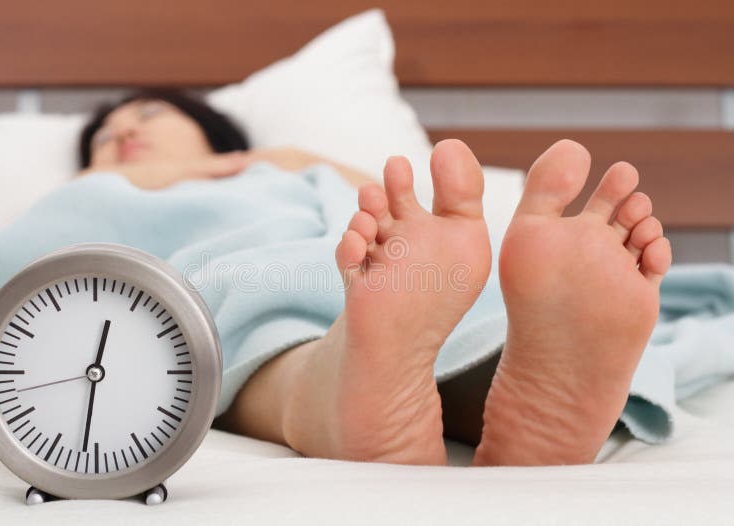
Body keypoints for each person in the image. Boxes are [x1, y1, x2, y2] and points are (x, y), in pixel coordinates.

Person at [79, 89, 672, 466]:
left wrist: (274, 161)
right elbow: (38, 289)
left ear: (218, 131)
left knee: (436, 325)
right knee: (236, 328)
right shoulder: (80, 199)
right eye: (105, 139)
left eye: (149, 114)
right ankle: (351, 387)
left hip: (347, 265)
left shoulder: (286, 170)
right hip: (214, 279)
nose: (125, 133)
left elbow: (386, 205)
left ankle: (397, 389)